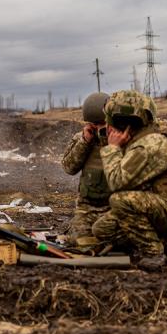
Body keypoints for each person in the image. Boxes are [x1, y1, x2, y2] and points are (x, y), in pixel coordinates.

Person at [91, 90, 167, 271]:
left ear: (121, 120)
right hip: (162, 202)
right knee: (102, 230)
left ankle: (154, 253)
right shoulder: (146, 132)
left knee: (120, 201)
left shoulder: (150, 145)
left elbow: (117, 182)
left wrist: (112, 148)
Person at [61, 92, 111, 247]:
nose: (98, 128)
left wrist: (109, 140)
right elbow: (69, 168)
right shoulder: (82, 138)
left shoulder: (122, 138)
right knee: (79, 242)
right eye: (94, 124)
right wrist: (85, 142)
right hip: (88, 207)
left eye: (102, 123)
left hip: (115, 206)